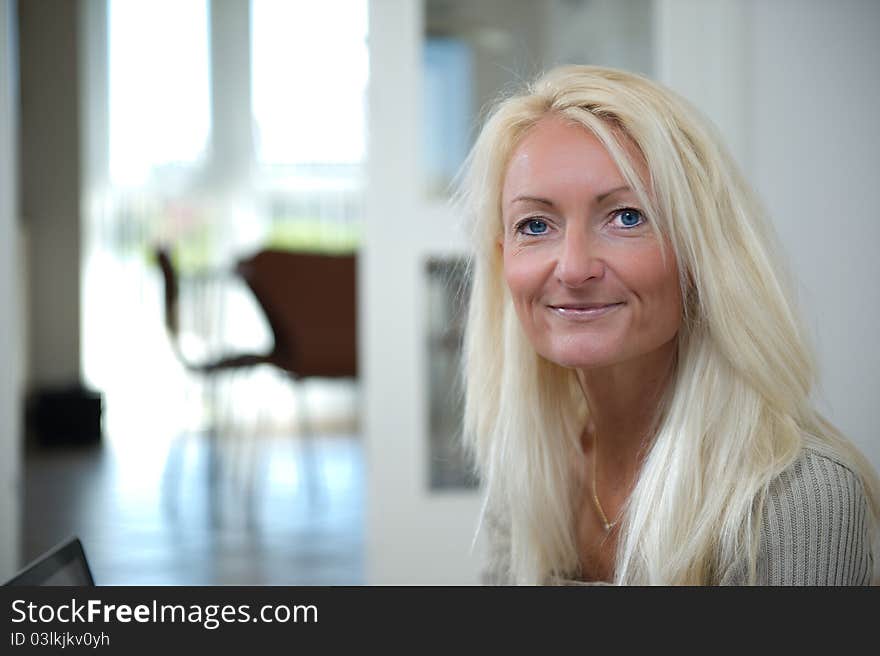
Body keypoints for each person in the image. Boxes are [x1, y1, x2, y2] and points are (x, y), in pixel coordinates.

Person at [457, 65, 880, 585]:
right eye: (536, 225)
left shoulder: (797, 498)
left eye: (627, 217)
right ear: (505, 262)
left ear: (701, 254)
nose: (572, 267)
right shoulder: (533, 466)